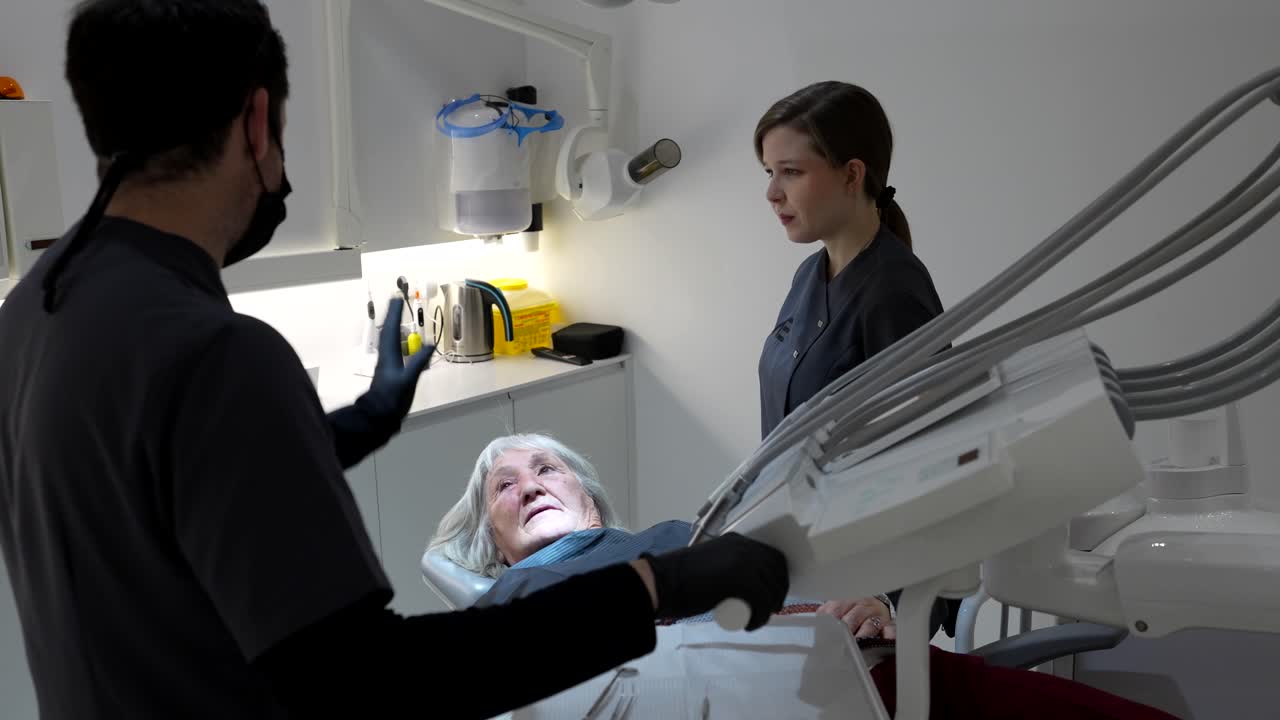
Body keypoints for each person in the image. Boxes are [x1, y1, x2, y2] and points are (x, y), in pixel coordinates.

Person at [0, 3, 787, 719]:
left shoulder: (33, 312)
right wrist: (656, 584)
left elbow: (165, 477)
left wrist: (368, 419)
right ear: (256, 120)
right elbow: (370, 684)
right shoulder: (216, 350)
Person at [431, 434, 1183, 720]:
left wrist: (855, 603)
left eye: (546, 468)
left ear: (589, 501)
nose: (527, 484)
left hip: (875, 669)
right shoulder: (506, 603)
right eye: (503, 485)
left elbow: (800, 582)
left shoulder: (680, 538)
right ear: (497, 547)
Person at [755, 82, 956, 636]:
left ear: (852, 174)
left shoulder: (893, 291)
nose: (773, 192)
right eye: (768, 172)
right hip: (805, 566)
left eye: (791, 172)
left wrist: (894, 603)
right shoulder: (810, 275)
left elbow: (935, 458)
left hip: (861, 600)